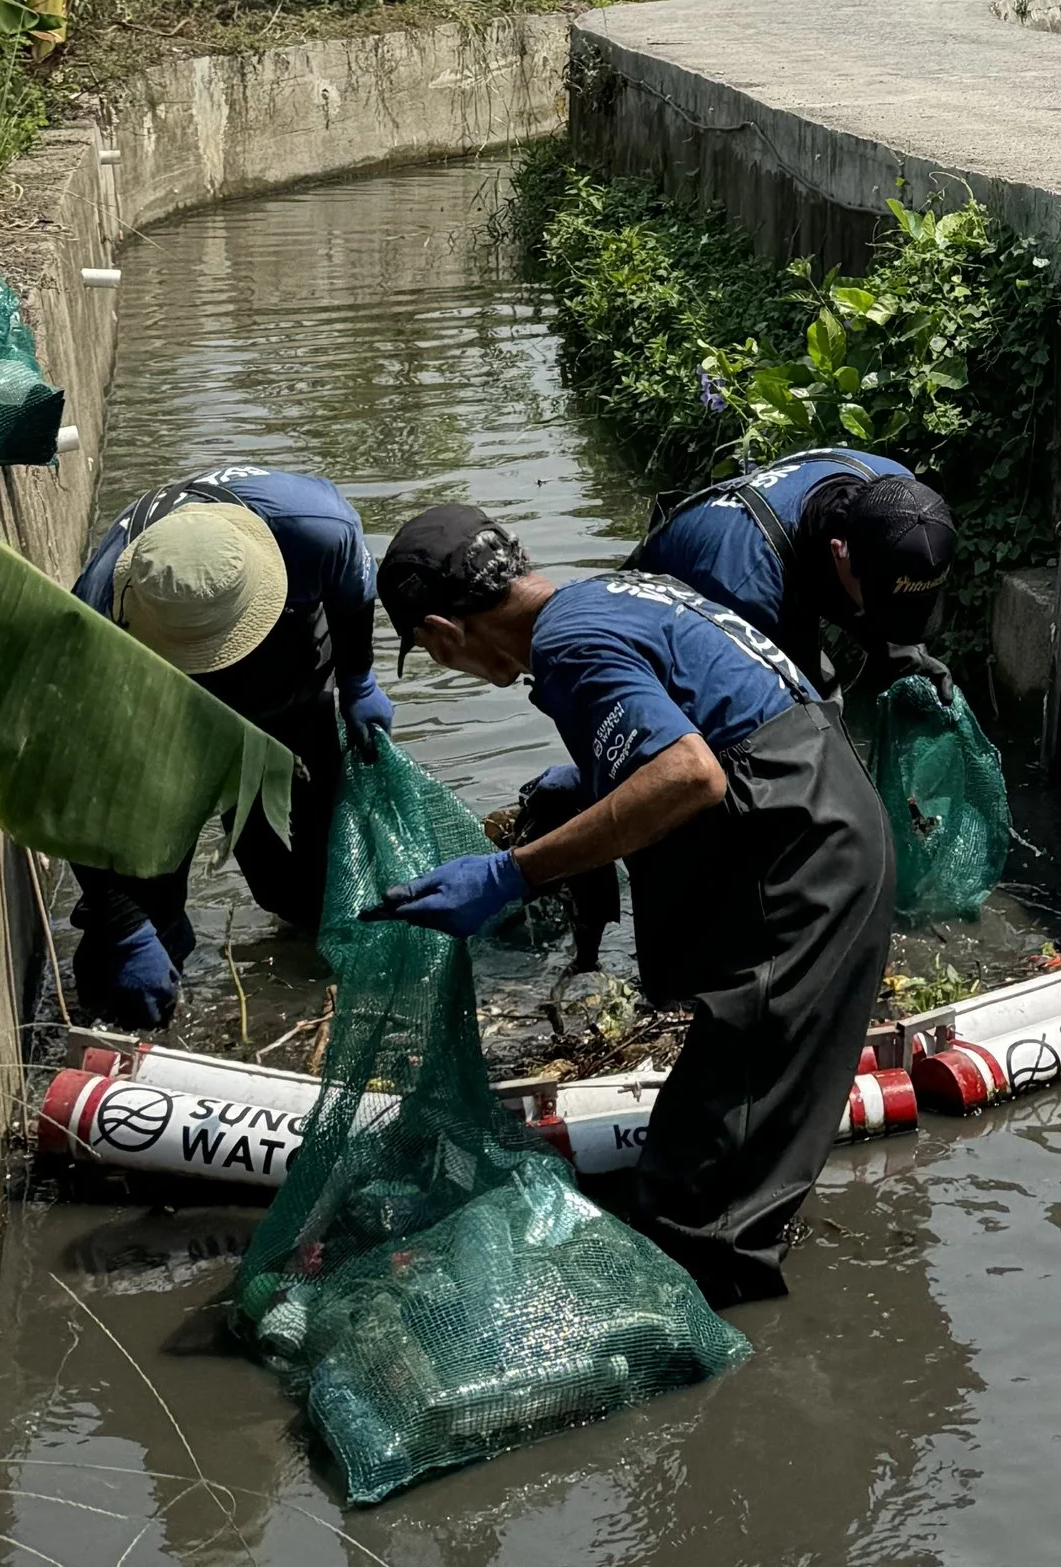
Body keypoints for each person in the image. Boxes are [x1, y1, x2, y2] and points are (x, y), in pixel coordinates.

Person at [373, 504, 895, 1306]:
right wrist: (591, 785)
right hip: (827, 813)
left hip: (804, 864)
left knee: (694, 1202)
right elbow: (723, 723)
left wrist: (513, 873)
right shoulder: (616, 592)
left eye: (438, 654)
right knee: (728, 1140)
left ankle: (726, 1391)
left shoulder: (567, 644)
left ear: (444, 634)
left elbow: (692, 774)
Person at [66, 466, 388, 1028]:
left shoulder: (312, 528)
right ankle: (118, 1018)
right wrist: (123, 920)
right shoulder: (94, 613)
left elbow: (353, 591)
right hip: (165, 721)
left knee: (305, 892)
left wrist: (359, 680)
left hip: (290, 703)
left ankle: (302, 1006)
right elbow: (71, 776)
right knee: (144, 917)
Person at [633, 450, 957, 699]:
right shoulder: (745, 586)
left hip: (784, 561)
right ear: (839, 552)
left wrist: (902, 654)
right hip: (662, 615)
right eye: (879, 602)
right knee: (801, 713)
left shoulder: (900, 499)